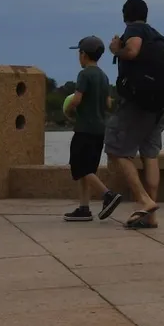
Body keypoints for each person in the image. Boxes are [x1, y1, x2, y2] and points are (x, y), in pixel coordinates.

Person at [106, 0, 164, 229]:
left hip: (136, 104)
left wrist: (116, 49)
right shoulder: (159, 36)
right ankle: (150, 217)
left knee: (117, 150)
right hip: (158, 105)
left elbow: (131, 51)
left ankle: (144, 200)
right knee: (150, 156)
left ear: (125, 15)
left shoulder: (133, 29)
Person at [62, 35, 124, 222]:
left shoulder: (84, 74)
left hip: (84, 129)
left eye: (79, 53)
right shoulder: (104, 77)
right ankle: (84, 208)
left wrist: (70, 110)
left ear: (83, 54)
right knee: (87, 170)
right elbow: (108, 103)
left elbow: (77, 99)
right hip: (99, 130)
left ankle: (108, 195)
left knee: (79, 166)